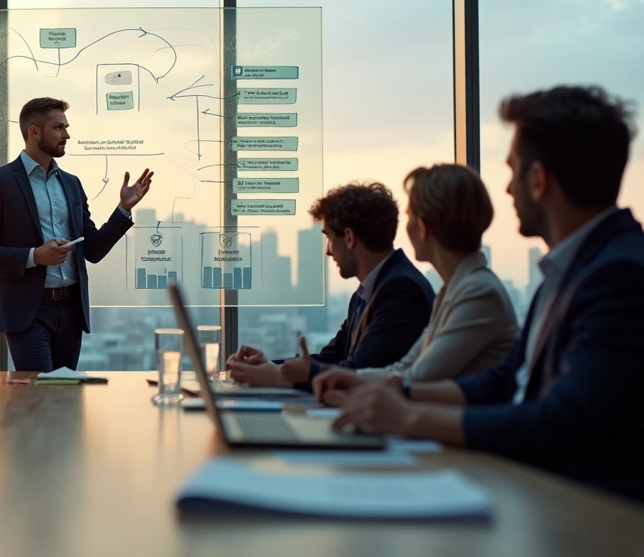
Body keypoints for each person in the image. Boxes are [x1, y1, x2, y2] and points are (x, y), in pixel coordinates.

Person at [317, 85, 643, 502]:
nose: (506, 189)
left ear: (538, 180)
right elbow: (503, 380)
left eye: (512, 170)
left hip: (583, 511)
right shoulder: (570, 270)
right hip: (539, 489)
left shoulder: (618, 274)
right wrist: (396, 392)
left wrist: (410, 416)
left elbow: (563, 422)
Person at [0, 97, 154, 371]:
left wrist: (123, 209)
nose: (66, 135)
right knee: (39, 391)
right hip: (26, 312)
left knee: (66, 392)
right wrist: (35, 256)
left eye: (66, 127)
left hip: (71, 310)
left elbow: (92, 250)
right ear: (34, 132)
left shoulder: (71, 183)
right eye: (58, 128)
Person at [310, 165, 517, 402]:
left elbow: (419, 377)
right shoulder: (456, 289)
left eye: (409, 216)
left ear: (423, 227)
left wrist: (336, 379)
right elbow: (405, 368)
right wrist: (345, 379)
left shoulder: (478, 292)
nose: (405, 227)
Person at [227, 182, 435, 388]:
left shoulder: (402, 290)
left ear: (349, 238)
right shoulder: (368, 292)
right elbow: (331, 358)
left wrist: (277, 376)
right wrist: (268, 367)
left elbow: (359, 371)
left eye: (329, 238)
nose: (328, 251)